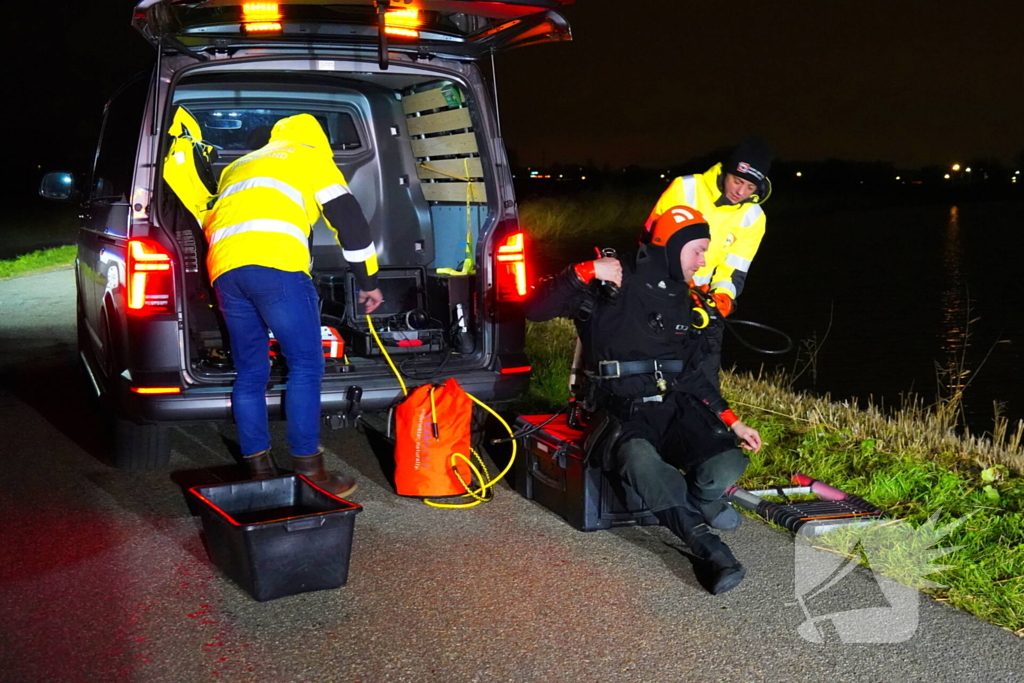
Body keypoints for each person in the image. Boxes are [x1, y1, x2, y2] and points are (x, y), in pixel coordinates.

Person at [525, 206, 762, 595]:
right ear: (671, 246)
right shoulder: (611, 279)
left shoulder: (686, 299)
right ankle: (707, 545)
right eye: (698, 250)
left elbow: (691, 374)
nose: (704, 260)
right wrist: (582, 273)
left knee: (727, 461)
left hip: (671, 405)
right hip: (619, 407)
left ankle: (700, 500)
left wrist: (732, 420)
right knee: (643, 463)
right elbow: (534, 308)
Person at [203, 113, 384, 496]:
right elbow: (350, 222)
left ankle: (260, 472)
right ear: (317, 139)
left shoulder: (239, 165)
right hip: (277, 267)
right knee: (305, 364)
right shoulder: (310, 157)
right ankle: (309, 469)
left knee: (251, 371)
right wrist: (367, 281)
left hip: (224, 271)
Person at [644, 137, 773, 391]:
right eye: (737, 181)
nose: (741, 192)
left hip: (703, 300)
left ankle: (706, 421)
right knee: (649, 368)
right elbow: (650, 239)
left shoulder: (754, 217)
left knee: (704, 374)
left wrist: (722, 299)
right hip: (661, 290)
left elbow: (735, 267)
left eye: (750, 187)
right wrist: (680, 283)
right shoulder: (686, 188)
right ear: (726, 172)